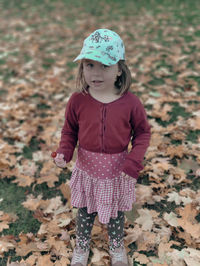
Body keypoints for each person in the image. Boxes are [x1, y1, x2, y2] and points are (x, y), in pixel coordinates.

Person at [53, 29, 151, 266]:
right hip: (87, 168)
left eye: (104, 66)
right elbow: (69, 131)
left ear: (119, 68)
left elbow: (143, 133)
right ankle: (82, 245)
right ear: (82, 68)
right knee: (85, 210)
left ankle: (116, 247)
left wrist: (133, 161)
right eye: (89, 65)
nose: (95, 73)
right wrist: (65, 152)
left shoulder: (130, 103)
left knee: (115, 213)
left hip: (118, 170)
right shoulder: (78, 100)